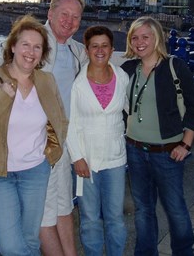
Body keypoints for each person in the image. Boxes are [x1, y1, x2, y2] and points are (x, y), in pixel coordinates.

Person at [0, 0, 87, 256]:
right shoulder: (32, 38)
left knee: (63, 208)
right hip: (9, 162)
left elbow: (104, 61)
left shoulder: (78, 52)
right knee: (33, 230)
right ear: (50, 13)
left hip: (51, 151)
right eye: (64, 14)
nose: (69, 21)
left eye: (75, 16)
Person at [121, 16, 194, 256]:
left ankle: (184, 252)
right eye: (134, 37)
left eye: (145, 36)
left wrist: (185, 145)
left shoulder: (174, 66)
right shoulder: (127, 69)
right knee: (143, 209)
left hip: (167, 152)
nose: (139, 42)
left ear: (158, 38)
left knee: (175, 208)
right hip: (135, 150)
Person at [67, 26, 129, 256]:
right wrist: (77, 158)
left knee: (115, 218)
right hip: (87, 161)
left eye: (105, 45)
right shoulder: (78, 84)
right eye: (95, 46)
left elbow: (132, 110)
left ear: (112, 49)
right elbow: (70, 123)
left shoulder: (122, 78)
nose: (100, 50)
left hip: (115, 159)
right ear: (87, 50)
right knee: (90, 219)